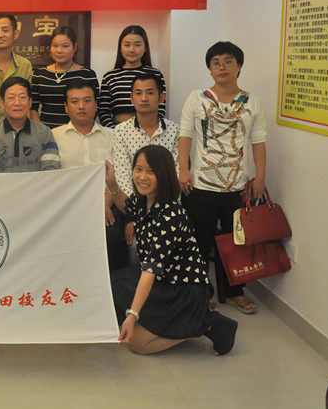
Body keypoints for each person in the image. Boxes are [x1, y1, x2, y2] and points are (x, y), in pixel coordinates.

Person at [105, 145, 238, 356]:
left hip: (183, 288)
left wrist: (132, 315)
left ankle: (207, 323)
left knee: (137, 343)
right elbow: (125, 206)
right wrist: (112, 184)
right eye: (138, 169)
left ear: (164, 175)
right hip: (163, 280)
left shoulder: (170, 215)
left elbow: (149, 272)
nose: (142, 177)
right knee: (114, 281)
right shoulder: (143, 200)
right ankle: (178, 319)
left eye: (151, 171)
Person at [178, 41, 267, 315]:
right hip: (201, 185)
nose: (222, 67)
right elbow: (185, 135)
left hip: (238, 187)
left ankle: (235, 291)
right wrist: (183, 169)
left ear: (239, 66)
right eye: (216, 62)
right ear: (210, 69)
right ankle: (202, 293)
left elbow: (258, 142)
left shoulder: (252, 101)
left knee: (235, 242)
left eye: (228, 61)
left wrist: (260, 177)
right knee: (200, 242)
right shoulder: (197, 98)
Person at [51, 80, 127, 270]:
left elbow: (118, 175)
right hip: (67, 206)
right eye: (75, 101)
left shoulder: (113, 135)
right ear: (66, 107)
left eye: (87, 100)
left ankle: (113, 286)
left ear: (96, 104)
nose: (81, 106)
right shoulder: (53, 136)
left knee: (112, 239)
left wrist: (105, 204)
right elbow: (51, 178)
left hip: (105, 204)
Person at [111, 72, 179, 199]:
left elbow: (175, 175)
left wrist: (159, 205)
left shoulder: (174, 131)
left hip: (167, 202)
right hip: (132, 203)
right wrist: (137, 206)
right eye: (138, 93)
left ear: (162, 97)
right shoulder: (121, 131)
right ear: (132, 98)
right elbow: (122, 176)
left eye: (150, 93)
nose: (144, 98)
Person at [0, 77, 59, 173]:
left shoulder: (44, 133)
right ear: (2, 103)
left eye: (22, 97)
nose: (17, 103)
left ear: (30, 102)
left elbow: (51, 172)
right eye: (11, 98)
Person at [98, 25, 167, 128]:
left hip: (149, 131)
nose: (132, 50)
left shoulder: (156, 75)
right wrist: (114, 130)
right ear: (120, 48)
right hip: (117, 131)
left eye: (137, 45)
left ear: (145, 48)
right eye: (127, 45)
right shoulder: (110, 77)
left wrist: (150, 129)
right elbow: (103, 111)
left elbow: (161, 109)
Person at [31, 26, 98, 129]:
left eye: (65, 46)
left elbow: (95, 107)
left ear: (75, 47)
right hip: (46, 133)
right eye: (55, 46)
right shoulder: (39, 74)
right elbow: (33, 108)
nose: (59, 50)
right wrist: (40, 131)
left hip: (76, 132)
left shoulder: (87, 74)